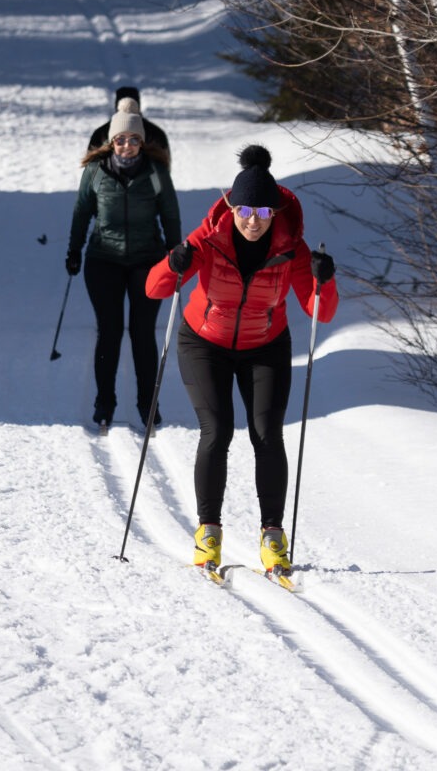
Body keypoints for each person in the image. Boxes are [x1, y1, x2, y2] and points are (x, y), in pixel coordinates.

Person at [146, 143, 337, 582]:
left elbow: (319, 312)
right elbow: (156, 289)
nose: (254, 220)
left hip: (265, 344)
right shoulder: (208, 238)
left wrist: (324, 281)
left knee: (267, 434)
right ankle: (208, 531)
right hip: (204, 342)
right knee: (217, 431)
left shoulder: (293, 248)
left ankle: (273, 536)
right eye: (246, 210)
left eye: (264, 212)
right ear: (231, 206)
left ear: (275, 213)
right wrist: (173, 261)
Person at [67, 98, 182, 430]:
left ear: (142, 142)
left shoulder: (156, 172)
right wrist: (74, 250)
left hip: (147, 260)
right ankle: (105, 403)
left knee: (143, 335)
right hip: (104, 260)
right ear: (111, 141)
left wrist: (174, 253)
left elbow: (170, 214)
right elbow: (81, 212)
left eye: (134, 139)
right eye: (121, 139)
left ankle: (148, 404)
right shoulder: (95, 172)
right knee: (110, 332)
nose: (127, 145)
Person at [87, 87, 171, 156]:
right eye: (120, 141)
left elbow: (90, 166)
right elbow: (165, 166)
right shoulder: (156, 133)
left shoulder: (100, 133)